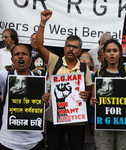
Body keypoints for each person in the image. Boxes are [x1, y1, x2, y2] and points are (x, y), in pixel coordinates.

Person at [35, 9, 92, 150]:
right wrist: (42, 22)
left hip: (77, 122)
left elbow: (90, 91)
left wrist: (88, 95)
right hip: (54, 119)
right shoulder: (54, 61)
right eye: (68, 46)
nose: (71, 49)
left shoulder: (84, 68)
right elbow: (38, 46)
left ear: (80, 50)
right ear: (64, 47)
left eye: (75, 47)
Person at [90, 39, 126, 150]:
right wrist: (92, 101)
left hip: (125, 119)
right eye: (108, 51)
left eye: (115, 50)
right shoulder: (99, 73)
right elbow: (93, 98)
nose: (112, 53)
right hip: (104, 119)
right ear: (103, 54)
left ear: (120, 52)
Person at [0, 45, 49, 150]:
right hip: (8, 141)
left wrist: (45, 102)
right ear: (12, 60)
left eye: (24, 54)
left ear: (30, 60)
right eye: (17, 54)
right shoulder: (5, 76)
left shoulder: (39, 80)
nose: (20, 56)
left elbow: (45, 107)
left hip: (33, 142)